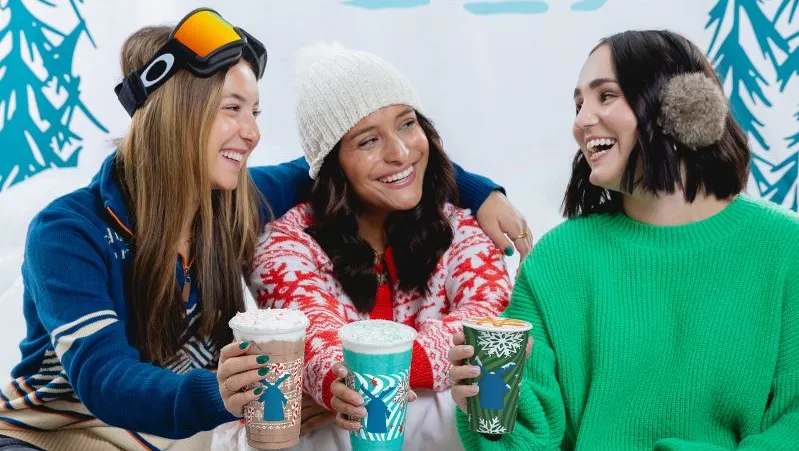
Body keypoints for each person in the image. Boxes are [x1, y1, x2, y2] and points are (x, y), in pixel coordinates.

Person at [0, 9, 528, 451]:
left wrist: (480, 192)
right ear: (176, 116)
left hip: (184, 438)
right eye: (232, 109)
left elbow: (350, 161)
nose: (252, 134)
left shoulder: (234, 203)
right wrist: (222, 397)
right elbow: (103, 378)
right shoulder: (69, 231)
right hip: (54, 432)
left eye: (254, 111)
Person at [448, 29, 799, 450]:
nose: (580, 122)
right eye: (578, 104)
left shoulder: (786, 248)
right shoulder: (558, 260)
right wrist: (484, 405)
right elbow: (525, 439)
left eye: (606, 96)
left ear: (686, 107)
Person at [247, 43, 513, 450]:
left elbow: (489, 318)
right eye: (368, 141)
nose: (401, 153)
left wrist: (381, 373)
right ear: (333, 164)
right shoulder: (286, 246)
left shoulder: (458, 227)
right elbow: (315, 342)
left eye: (407, 124)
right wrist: (364, 380)